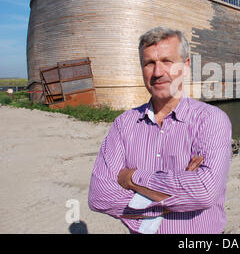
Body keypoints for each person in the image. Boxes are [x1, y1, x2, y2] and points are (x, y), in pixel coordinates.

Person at [88, 27, 232, 234]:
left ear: (186, 66)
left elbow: (204, 193)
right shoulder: (123, 125)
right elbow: (99, 197)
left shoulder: (210, 120)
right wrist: (179, 189)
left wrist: (132, 179)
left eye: (167, 61)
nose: (157, 72)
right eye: (149, 63)